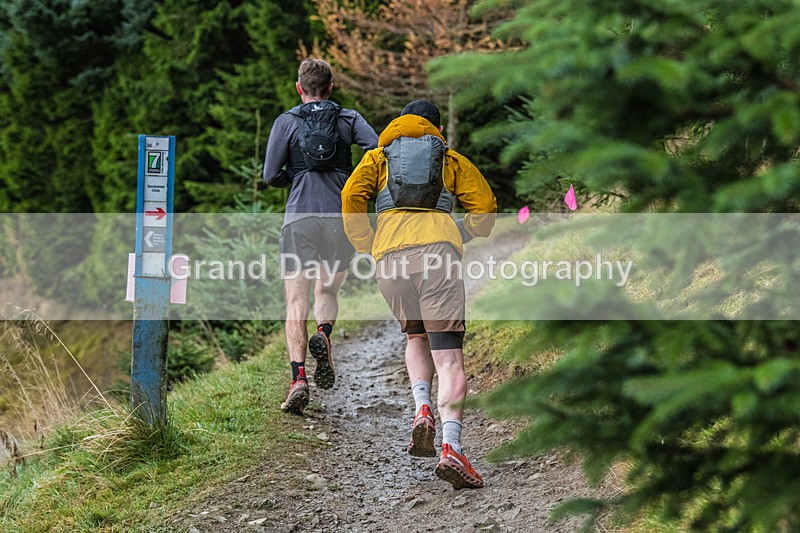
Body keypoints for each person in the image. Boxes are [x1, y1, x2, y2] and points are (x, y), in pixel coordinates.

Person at [341, 100, 497, 489]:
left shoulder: (378, 157)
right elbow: (487, 207)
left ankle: (421, 406)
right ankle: (451, 447)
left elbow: (349, 198)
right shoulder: (449, 159)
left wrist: (368, 242)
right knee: (450, 358)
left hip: (389, 259)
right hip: (438, 257)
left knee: (415, 335)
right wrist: (465, 231)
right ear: (437, 128)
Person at [264, 58, 378, 415]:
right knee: (326, 289)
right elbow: (377, 151)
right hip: (339, 218)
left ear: (299, 88)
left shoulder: (287, 121)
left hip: (299, 218)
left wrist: (295, 180)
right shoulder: (349, 119)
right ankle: (324, 334)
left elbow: (270, 175)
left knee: (295, 302)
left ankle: (298, 378)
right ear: (331, 86)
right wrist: (352, 179)